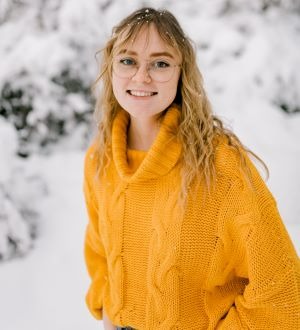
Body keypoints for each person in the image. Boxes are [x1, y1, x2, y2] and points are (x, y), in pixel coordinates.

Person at [83, 7, 300, 330]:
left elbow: (282, 290)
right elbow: (99, 249)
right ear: (111, 68)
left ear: (182, 72)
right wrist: (108, 309)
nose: (141, 77)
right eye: (128, 60)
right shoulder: (100, 159)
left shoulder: (221, 166)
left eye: (160, 63)